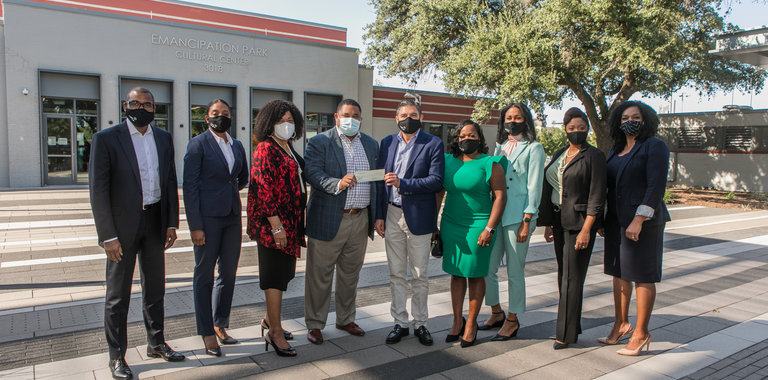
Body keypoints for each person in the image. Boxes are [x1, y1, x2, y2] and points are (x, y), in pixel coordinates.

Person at [89, 87, 184, 380]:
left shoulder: (164, 138)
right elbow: (98, 189)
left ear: (155, 108)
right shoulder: (106, 139)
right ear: (125, 105)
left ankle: (156, 342)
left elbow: (170, 181)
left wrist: (172, 222)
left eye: (147, 104)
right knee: (118, 295)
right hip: (122, 228)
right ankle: (117, 355)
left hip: (155, 221)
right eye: (135, 103)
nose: (140, 108)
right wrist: (108, 236)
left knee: (155, 288)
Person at [303, 99, 379, 345]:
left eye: (356, 115)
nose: (351, 119)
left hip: (360, 218)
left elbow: (376, 180)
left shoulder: (370, 144)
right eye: (346, 115)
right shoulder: (320, 142)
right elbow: (312, 173)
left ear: (361, 118)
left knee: (350, 275)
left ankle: (345, 318)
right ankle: (315, 324)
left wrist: (377, 216)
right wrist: (336, 183)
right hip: (328, 217)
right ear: (336, 117)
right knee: (319, 275)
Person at [599, 100, 670, 356]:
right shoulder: (615, 150)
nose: (630, 121)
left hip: (643, 222)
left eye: (636, 116)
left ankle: (641, 333)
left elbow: (655, 186)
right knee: (619, 274)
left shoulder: (654, 146)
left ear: (646, 120)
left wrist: (639, 220)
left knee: (642, 275)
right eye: (625, 117)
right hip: (616, 221)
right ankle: (621, 324)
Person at [375, 99, 444, 346]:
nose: (408, 118)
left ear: (421, 117)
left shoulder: (433, 143)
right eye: (403, 114)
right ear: (396, 119)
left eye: (413, 114)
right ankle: (400, 322)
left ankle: (421, 323)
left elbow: (436, 180)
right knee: (396, 273)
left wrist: (403, 183)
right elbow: (379, 180)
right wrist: (379, 215)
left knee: (419, 274)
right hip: (392, 214)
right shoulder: (387, 143)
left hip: (419, 216)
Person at [183, 99, 249, 357]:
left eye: (225, 113)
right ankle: (206, 331)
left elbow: (242, 176)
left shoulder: (238, 145)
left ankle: (220, 323)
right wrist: (195, 226)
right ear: (206, 117)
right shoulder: (197, 144)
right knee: (204, 276)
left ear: (231, 117)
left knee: (229, 273)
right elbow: (190, 187)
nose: (220, 117)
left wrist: (228, 192)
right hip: (207, 221)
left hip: (232, 217)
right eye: (215, 113)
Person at [537, 108, 606, 349]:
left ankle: (564, 334)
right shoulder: (560, 153)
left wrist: (588, 227)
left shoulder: (594, 156)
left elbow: (597, 195)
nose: (577, 132)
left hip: (579, 224)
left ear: (587, 128)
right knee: (563, 276)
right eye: (571, 128)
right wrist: (547, 223)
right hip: (558, 221)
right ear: (565, 129)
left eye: (581, 128)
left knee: (572, 278)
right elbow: (551, 188)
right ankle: (573, 324)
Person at [480, 103, 545, 341]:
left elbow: (534, 186)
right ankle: (496, 311)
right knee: (487, 268)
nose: (512, 121)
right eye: (508, 117)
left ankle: (513, 319)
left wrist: (528, 220)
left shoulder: (534, 148)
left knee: (515, 272)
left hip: (519, 217)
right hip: (497, 216)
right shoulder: (499, 146)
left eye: (517, 117)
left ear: (525, 120)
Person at [247, 99, 306, 357]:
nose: (286, 125)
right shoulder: (265, 149)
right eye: (281, 121)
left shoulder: (288, 147)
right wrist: (276, 226)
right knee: (274, 278)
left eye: (290, 121)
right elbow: (263, 189)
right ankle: (276, 332)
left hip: (291, 223)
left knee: (284, 276)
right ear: (269, 123)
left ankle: (269, 320)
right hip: (274, 226)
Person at [440, 120, 507, 348]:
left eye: (471, 135)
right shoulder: (447, 161)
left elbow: (500, 197)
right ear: (456, 139)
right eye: (461, 136)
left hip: (479, 226)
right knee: (457, 273)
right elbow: (439, 191)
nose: (466, 139)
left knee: (475, 274)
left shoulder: (491, 163)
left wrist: (490, 228)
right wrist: (434, 224)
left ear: (479, 138)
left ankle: (472, 325)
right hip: (451, 223)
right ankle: (458, 321)